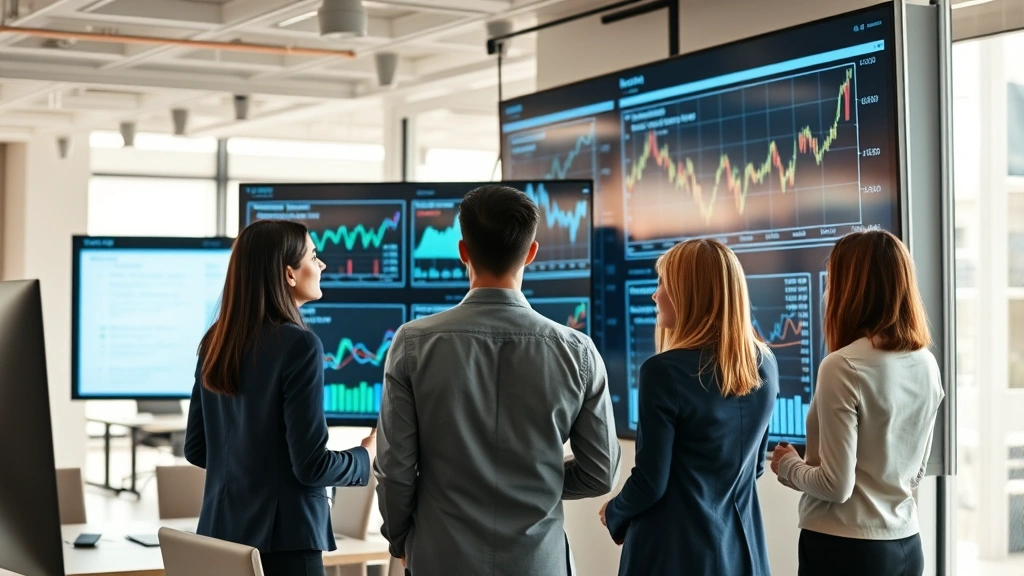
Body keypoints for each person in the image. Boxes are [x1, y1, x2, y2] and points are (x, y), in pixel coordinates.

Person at [374, 184, 621, 576]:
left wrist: (399, 539)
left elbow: (395, 471)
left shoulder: (411, 344)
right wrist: (532, 479)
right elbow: (600, 472)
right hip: (539, 564)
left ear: (463, 252)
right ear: (532, 253)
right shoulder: (579, 353)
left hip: (441, 559)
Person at [184, 219, 376, 576]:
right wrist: (366, 455)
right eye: (314, 257)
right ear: (289, 274)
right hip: (285, 549)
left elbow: (197, 449)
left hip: (219, 540)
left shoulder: (215, 341)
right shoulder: (299, 345)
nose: (322, 265)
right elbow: (312, 466)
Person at [598, 238, 778, 575]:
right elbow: (755, 467)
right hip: (743, 551)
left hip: (676, 553)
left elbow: (650, 482)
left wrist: (614, 511)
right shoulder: (765, 363)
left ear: (689, 294)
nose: (655, 295)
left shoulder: (662, 372)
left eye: (663, 283)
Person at [770, 230, 944, 576]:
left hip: (846, 551)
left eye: (832, 281)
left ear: (850, 290)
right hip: (907, 546)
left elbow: (836, 487)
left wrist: (788, 466)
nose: (827, 292)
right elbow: (915, 473)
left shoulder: (842, 365)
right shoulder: (926, 362)